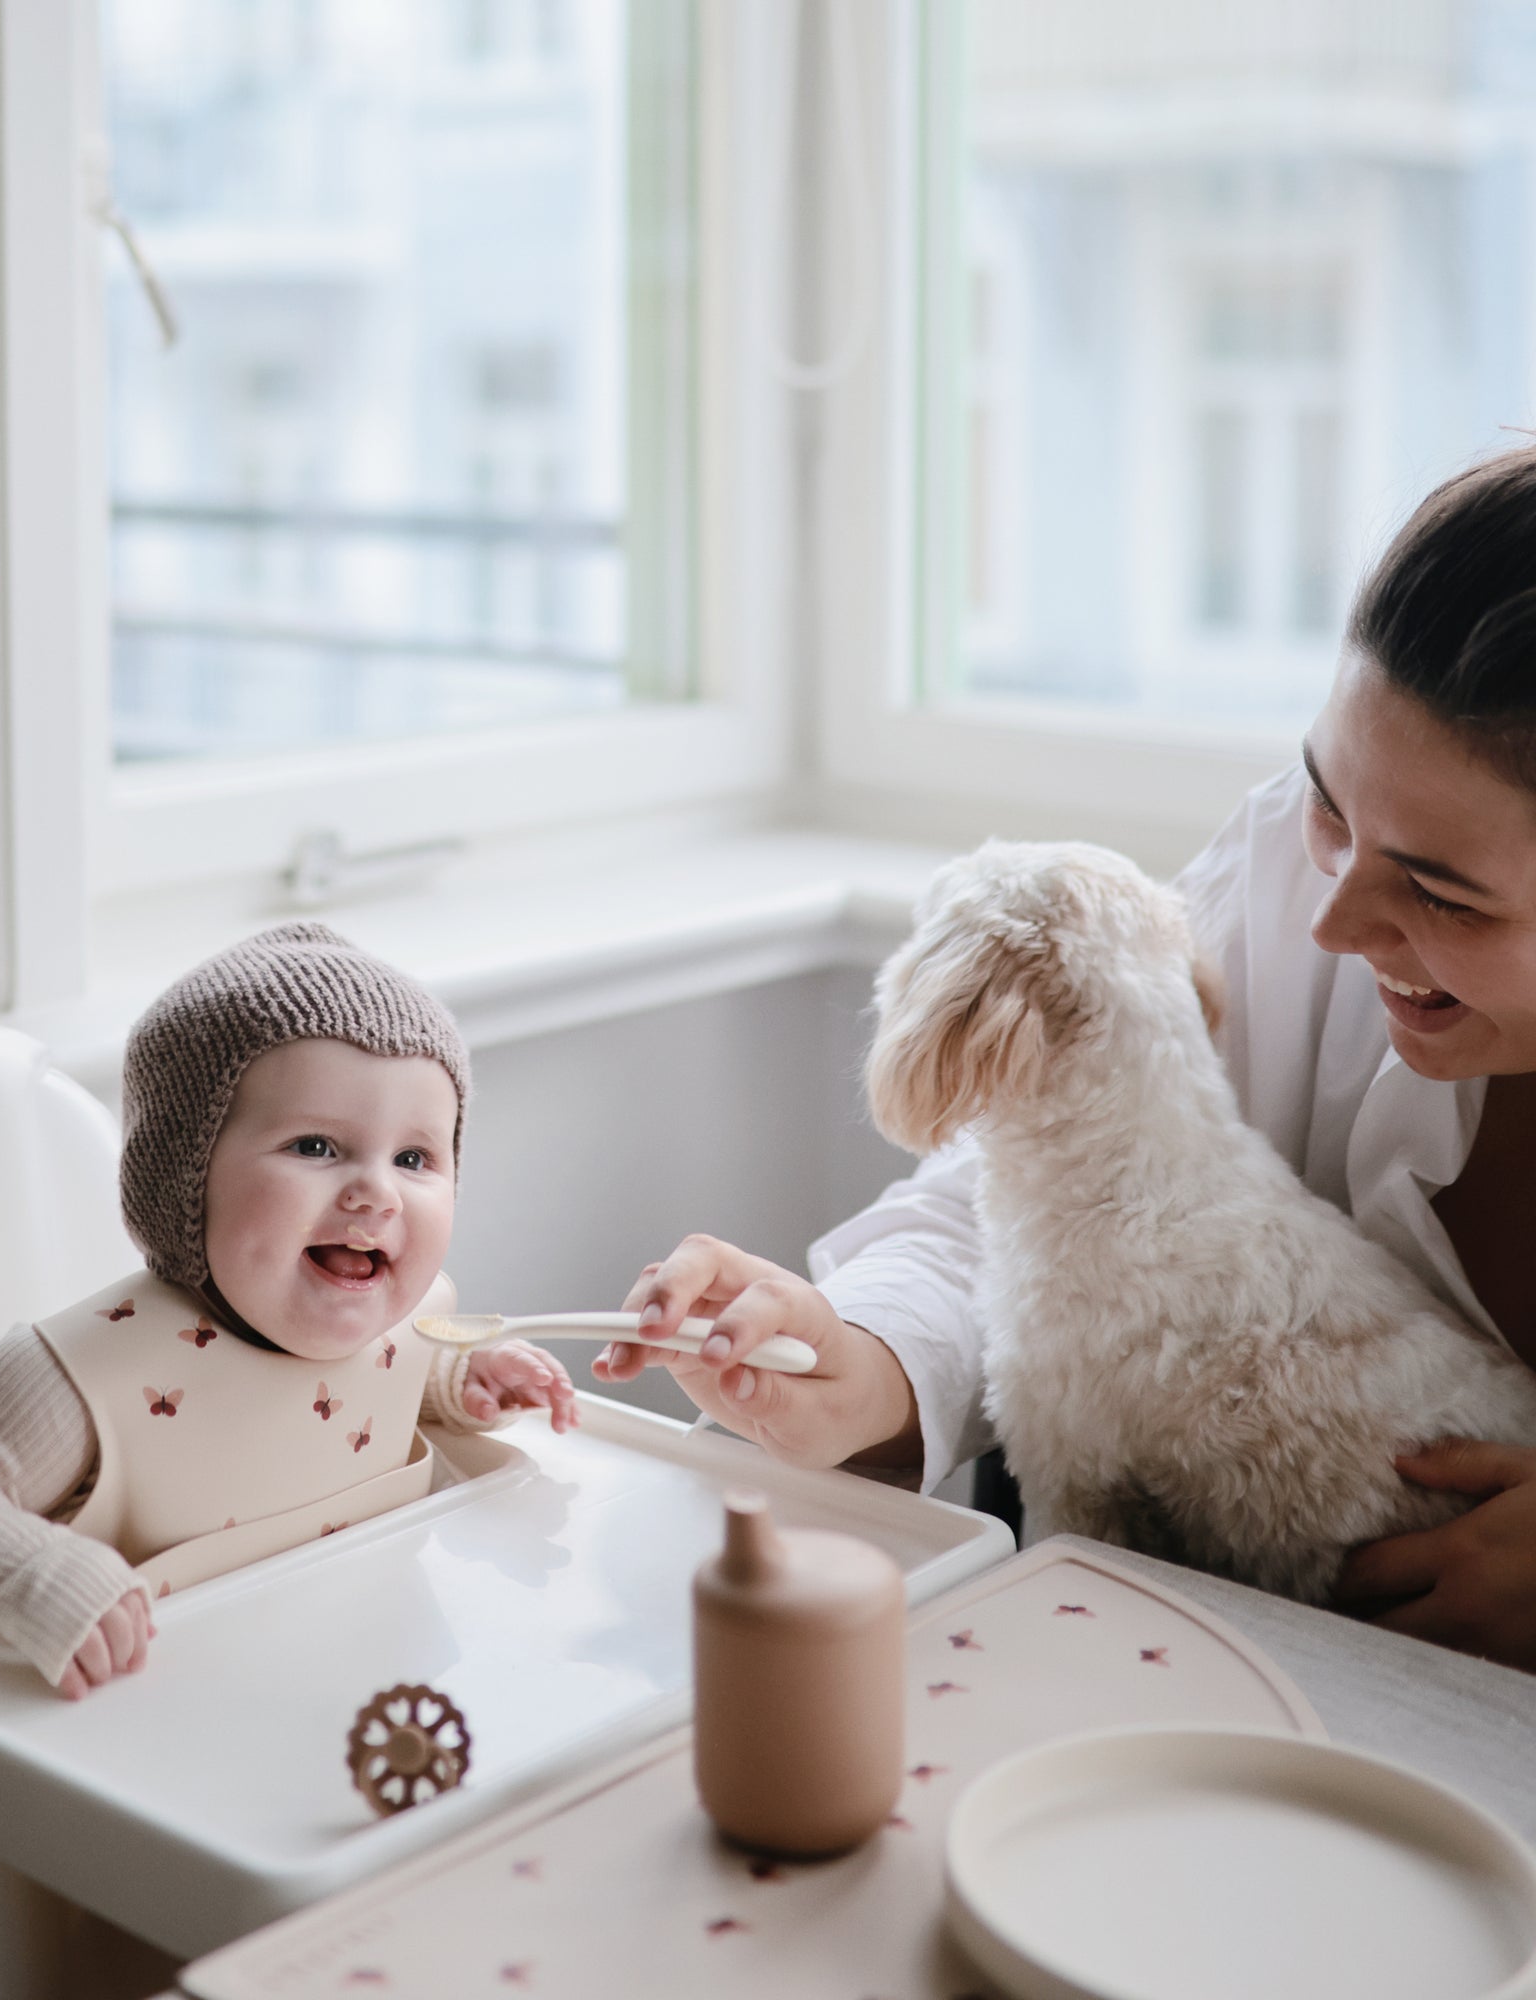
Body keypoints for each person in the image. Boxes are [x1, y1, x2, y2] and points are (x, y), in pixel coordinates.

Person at [600, 442, 1536, 1672]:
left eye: (1438, 895)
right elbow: (1033, 1198)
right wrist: (855, 1358)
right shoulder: (1289, 862)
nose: (1329, 923)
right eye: (1326, 802)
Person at [0, 922, 576, 1698]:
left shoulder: (410, 1318)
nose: (378, 1192)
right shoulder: (95, 1376)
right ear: (185, 1181)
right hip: (156, 1735)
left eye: (413, 1158)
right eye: (315, 1148)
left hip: (364, 1691)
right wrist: (28, 1577)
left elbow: (385, 1384)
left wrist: (463, 1383)